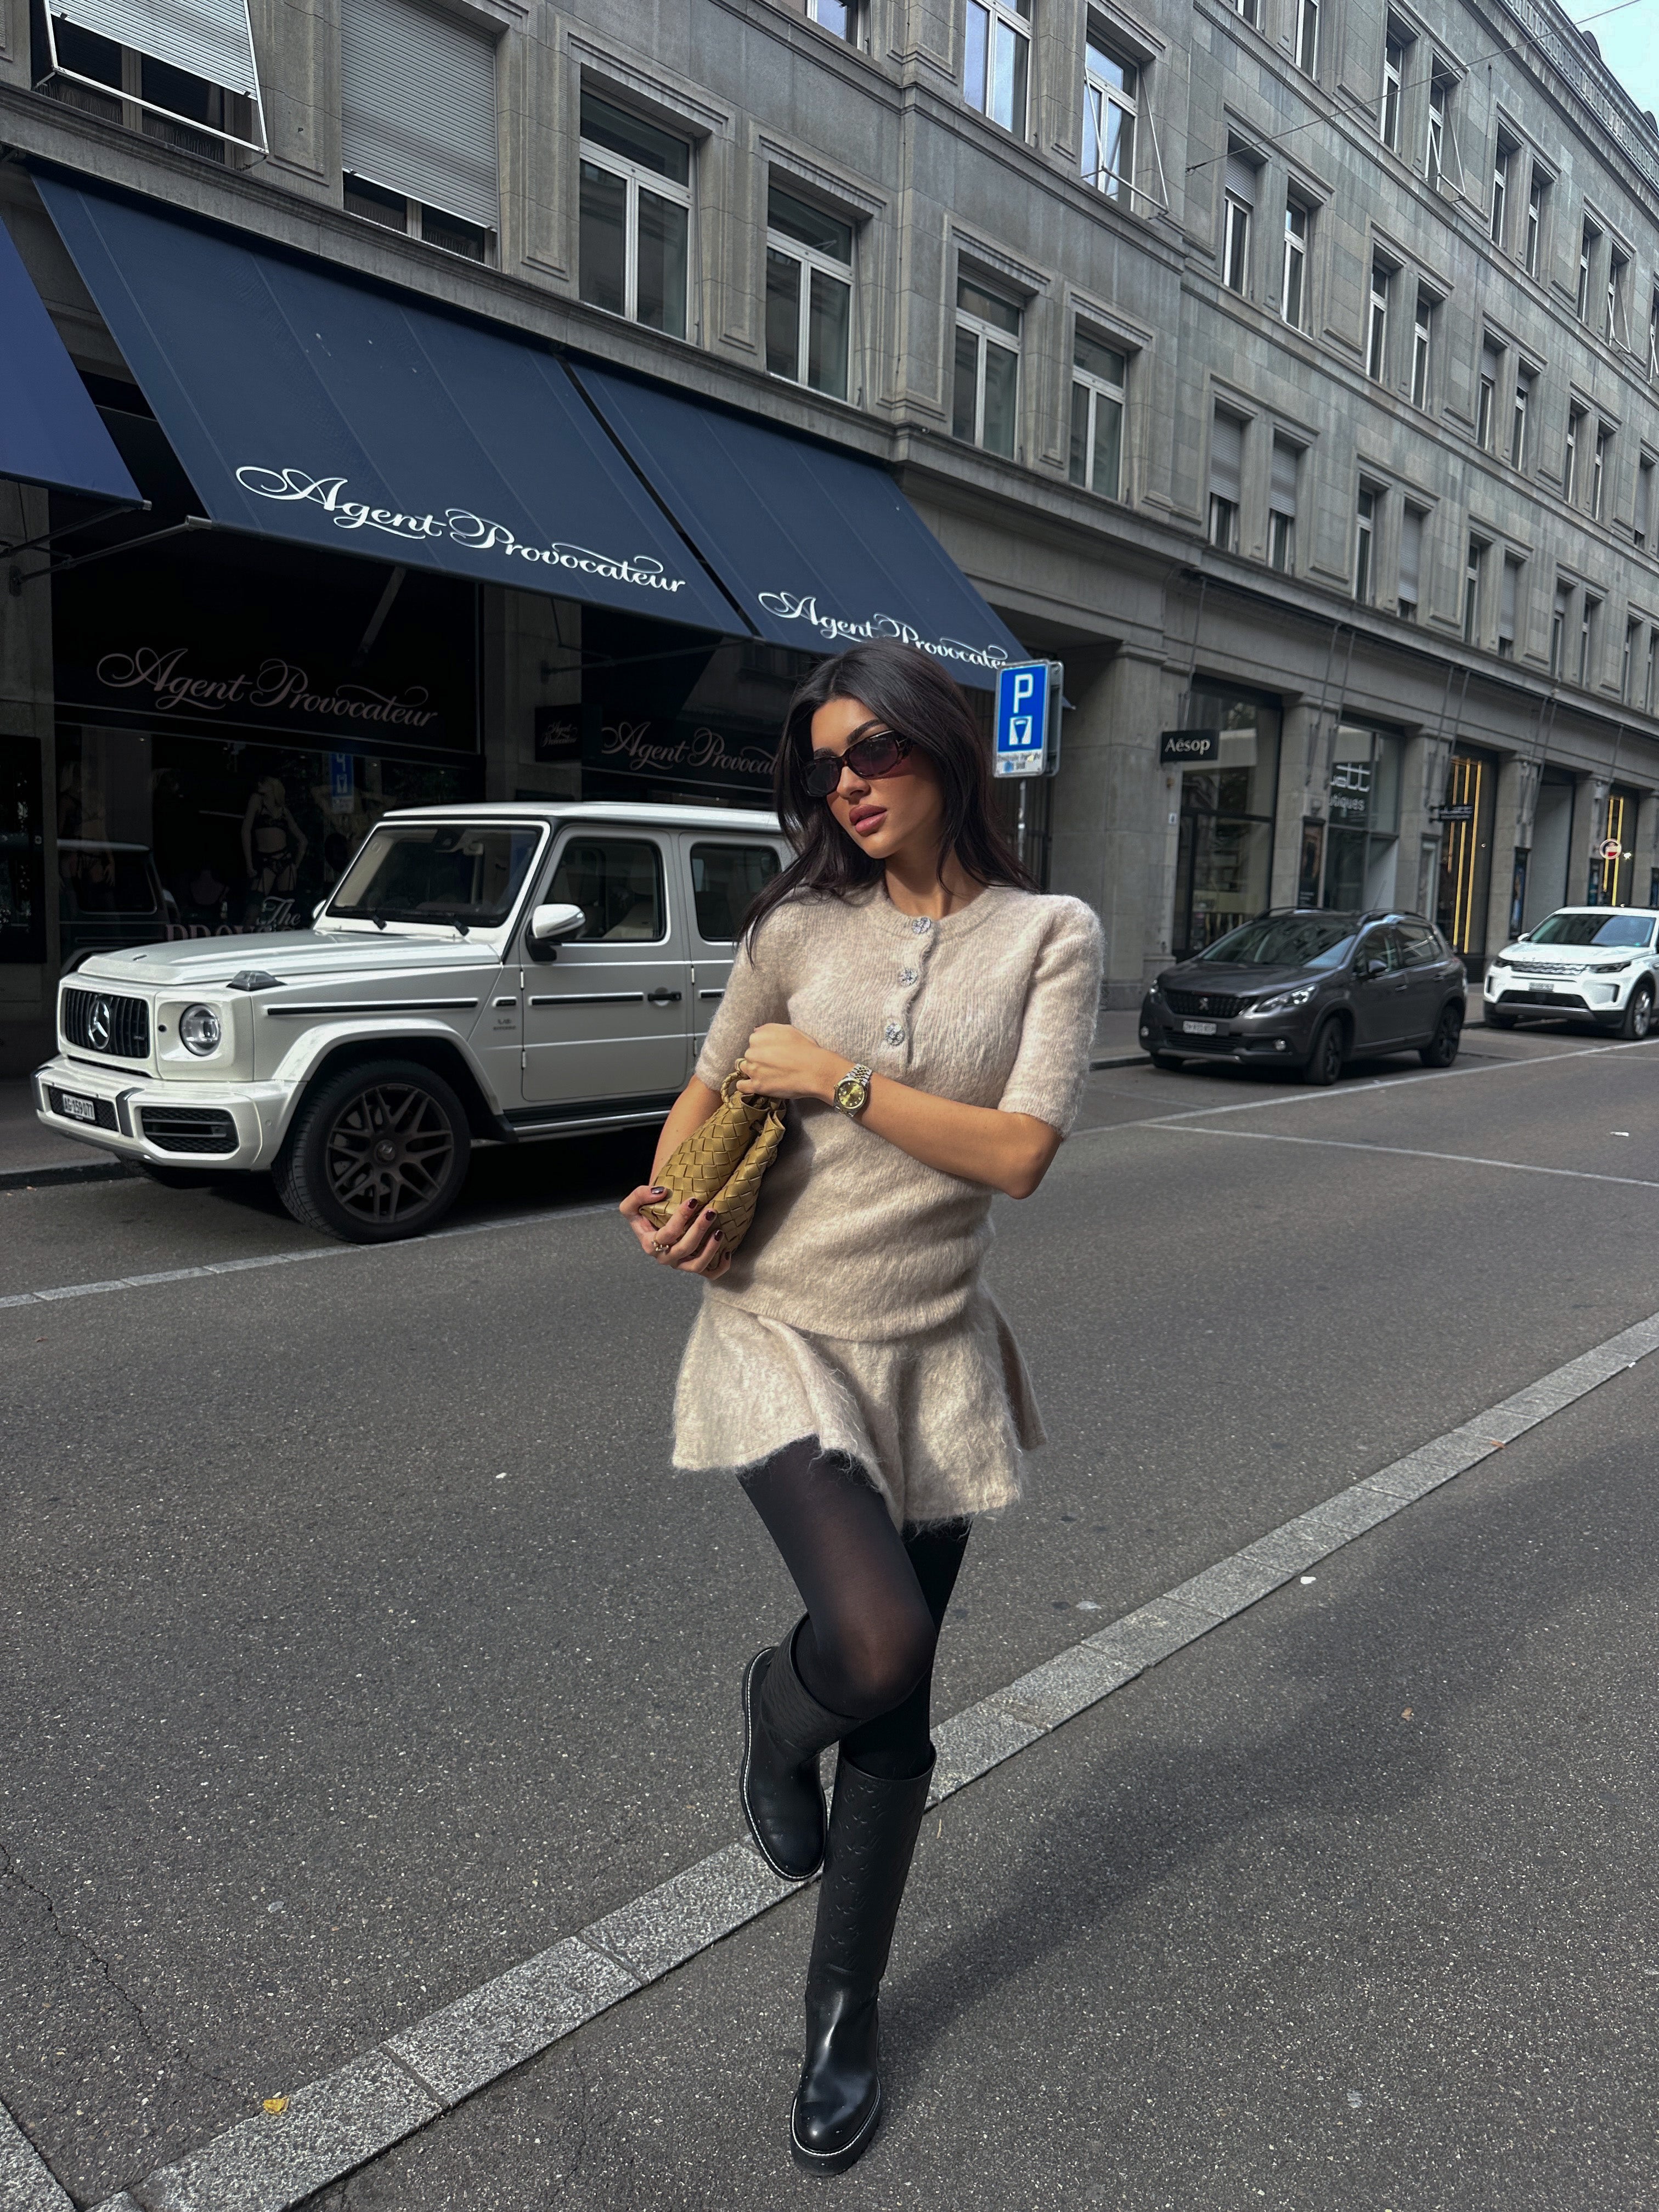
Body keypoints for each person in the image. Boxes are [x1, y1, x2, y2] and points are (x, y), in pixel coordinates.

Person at [619, 638, 1102, 2174]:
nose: (849, 784)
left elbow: (1019, 1153)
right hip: (778, 1328)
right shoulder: (796, 924)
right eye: (826, 765)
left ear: (942, 747)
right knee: (874, 1639)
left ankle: (843, 2014)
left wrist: (834, 1078)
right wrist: (672, 1198)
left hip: (934, 1356)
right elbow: (709, 1089)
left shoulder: (1048, 936)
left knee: (895, 1718)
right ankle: (776, 1718)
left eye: (874, 751)